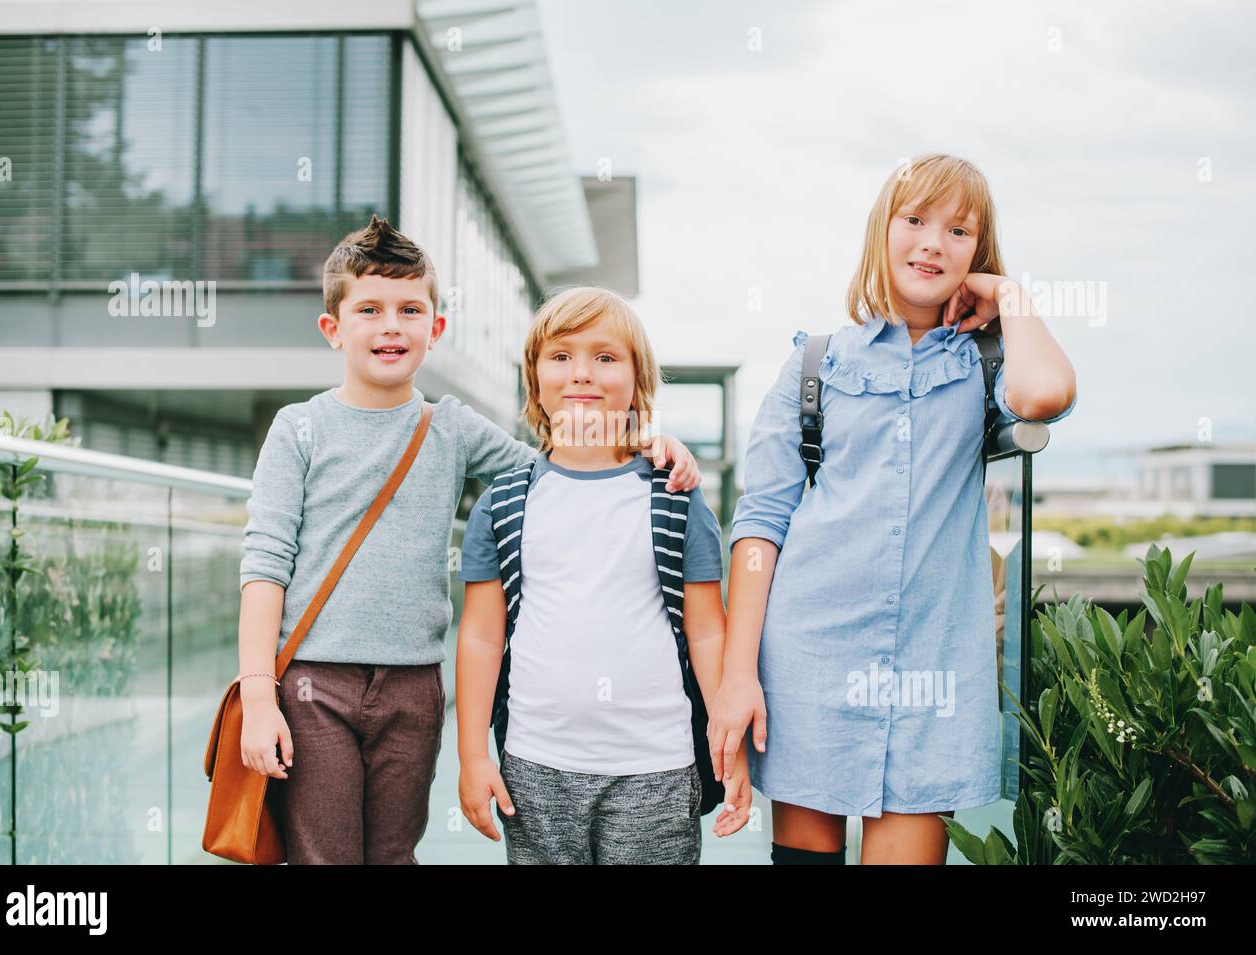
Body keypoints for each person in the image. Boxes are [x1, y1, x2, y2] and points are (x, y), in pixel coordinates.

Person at [235, 217, 702, 864]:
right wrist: (259, 695)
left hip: (416, 690)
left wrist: (641, 440)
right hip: (314, 685)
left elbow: (554, 464)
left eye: (410, 309)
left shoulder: (449, 428)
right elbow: (264, 565)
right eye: (369, 309)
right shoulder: (299, 429)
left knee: (396, 855)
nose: (391, 325)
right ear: (334, 328)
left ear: (436, 328)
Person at [710, 154, 1077, 864]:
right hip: (809, 658)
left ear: (978, 253)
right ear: (882, 232)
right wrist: (738, 674)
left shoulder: (986, 364)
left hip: (932, 676)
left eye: (960, 230)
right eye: (915, 220)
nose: (933, 242)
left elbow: (1044, 396)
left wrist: (1012, 297)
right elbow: (761, 523)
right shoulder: (815, 363)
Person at [455, 286, 752, 864]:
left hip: (657, 766)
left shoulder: (676, 500)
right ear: (535, 379)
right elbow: (482, 636)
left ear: (637, 380)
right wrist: (472, 755)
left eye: (606, 357)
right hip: (535, 765)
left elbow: (708, 633)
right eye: (561, 357)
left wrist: (730, 751)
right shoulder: (504, 503)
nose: (582, 374)